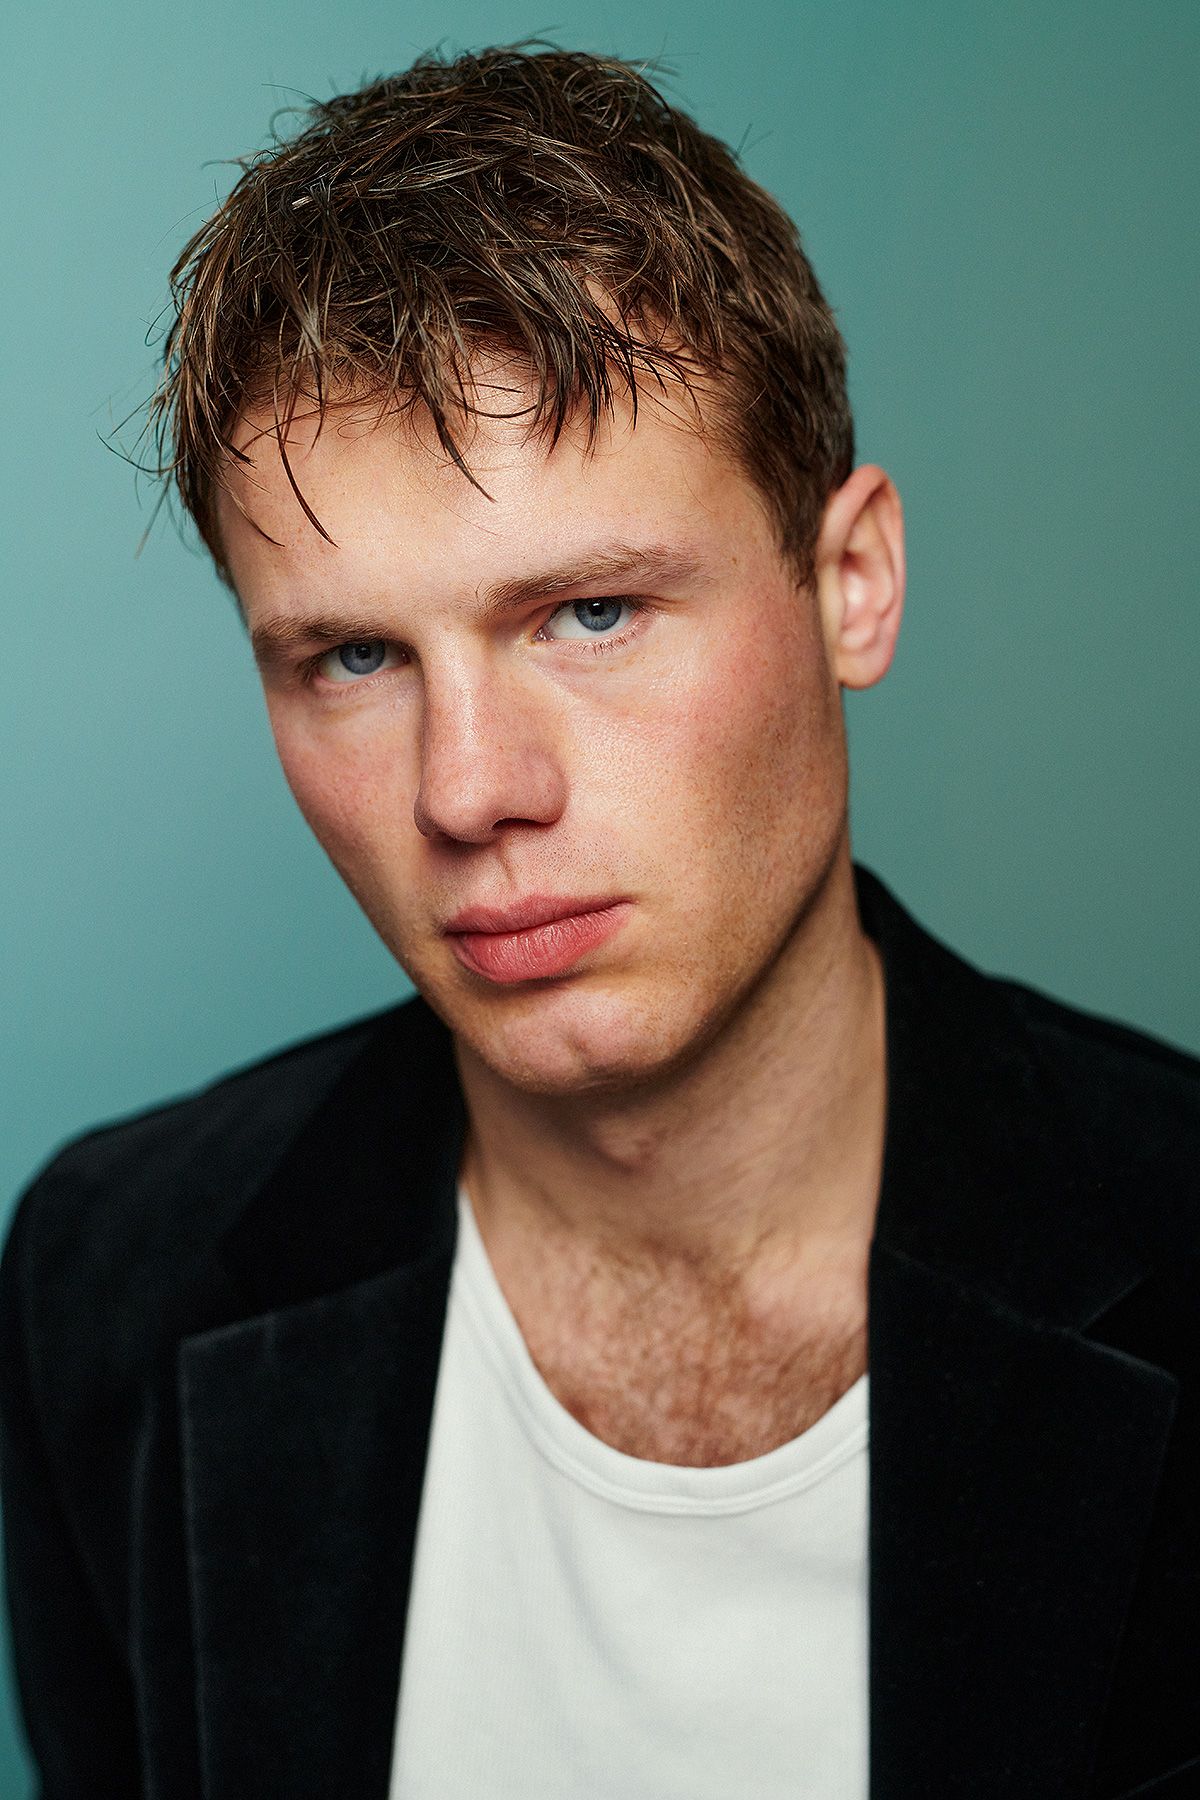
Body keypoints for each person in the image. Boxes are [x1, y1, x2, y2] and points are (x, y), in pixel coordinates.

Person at [1, 44, 1197, 1800]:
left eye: (592, 614)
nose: (468, 789)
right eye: (354, 656)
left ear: (850, 584)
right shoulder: (111, 1281)